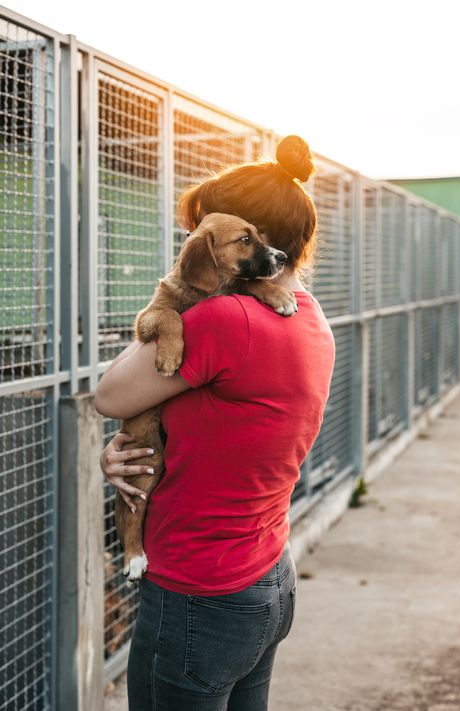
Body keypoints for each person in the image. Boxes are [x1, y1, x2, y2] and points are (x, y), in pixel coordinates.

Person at [96, 134, 336, 710]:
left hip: (197, 591)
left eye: (203, 232)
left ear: (251, 238)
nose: (189, 247)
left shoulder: (227, 319)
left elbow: (109, 393)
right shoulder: (310, 316)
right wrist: (133, 447)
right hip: (265, 574)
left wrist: (185, 298)